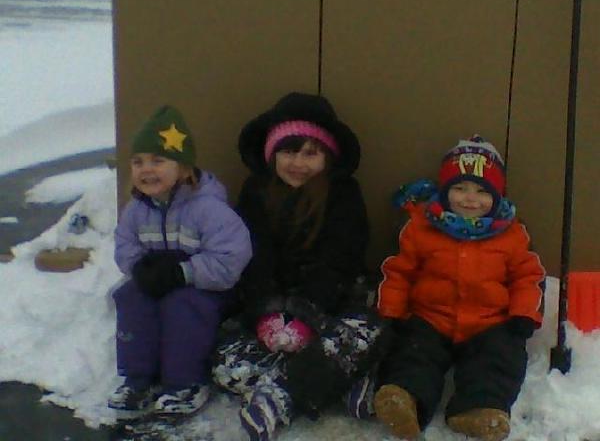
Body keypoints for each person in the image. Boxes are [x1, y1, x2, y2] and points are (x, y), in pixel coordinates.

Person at [212, 92, 386, 441]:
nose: (298, 163)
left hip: (329, 302)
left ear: (327, 157)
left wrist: (308, 312)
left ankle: (281, 397)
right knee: (223, 360)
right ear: (272, 153)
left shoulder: (343, 194)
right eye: (289, 152)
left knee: (366, 332)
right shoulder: (256, 192)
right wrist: (267, 313)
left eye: (311, 153)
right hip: (271, 308)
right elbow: (253, 257)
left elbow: (341, 258)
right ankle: (335, 379)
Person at [372, 135, 545, 441]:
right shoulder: (422, 227)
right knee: (414, 353)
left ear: (497, 196)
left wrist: (523, 313)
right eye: (460, 188)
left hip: (489, 322)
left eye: (482, 191)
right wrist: (392, 310)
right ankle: (406, 399)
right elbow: (399, 271)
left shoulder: (512, 234)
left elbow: (527, 277)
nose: (470, 199)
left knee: (499, 358)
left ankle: (479, 408)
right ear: (445, 190)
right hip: (431, 317)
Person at [108, 105, 252, 417]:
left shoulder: (209, 209)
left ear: (184, 169)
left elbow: (231, 258)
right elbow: (124, 243)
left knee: (182, 305)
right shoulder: (136, 209)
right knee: (132, 296)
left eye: (158, 160)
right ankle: (138, 377)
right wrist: (138, 268)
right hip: (161, 280)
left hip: (208, 288)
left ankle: (185, 381)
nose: (146, 170)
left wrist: (183, 273)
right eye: (138, 162)